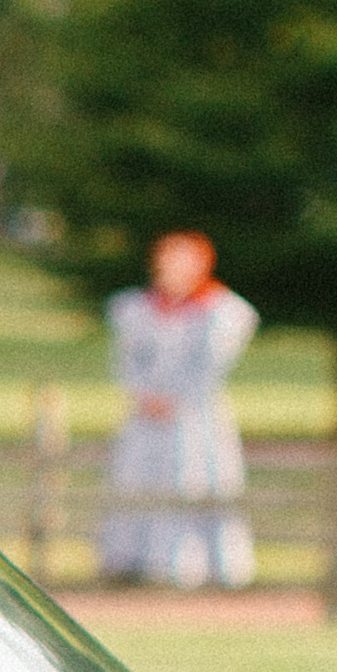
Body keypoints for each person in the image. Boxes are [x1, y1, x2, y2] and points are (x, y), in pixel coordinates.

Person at [98, 229, 258, 588]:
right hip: (146, 415)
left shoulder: (221, 311)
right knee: (136, 482)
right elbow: (127, 360)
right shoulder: (135, 308)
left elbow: (211, 365)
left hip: (194, 416)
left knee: (197, 482)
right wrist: (144, 394)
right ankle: (130, 562)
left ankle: (199, 568)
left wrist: (178, 398)